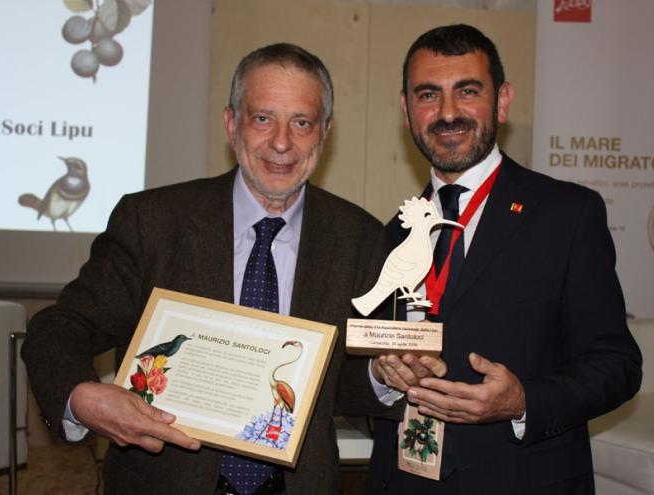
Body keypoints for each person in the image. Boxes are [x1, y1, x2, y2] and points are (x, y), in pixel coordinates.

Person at [22, 43, 391, 495]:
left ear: (325, 132)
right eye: (262, 118)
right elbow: (58, 328)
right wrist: (80, 397)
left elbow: (341, 385)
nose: (281, 142)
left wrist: (383, 375)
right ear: (232, 123)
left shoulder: (360, 238)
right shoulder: (153, 222)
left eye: (301, 122)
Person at [366, 24, 642, 494]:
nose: (447, 113)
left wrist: (523, 401)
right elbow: (370, 359)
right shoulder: (388, 235)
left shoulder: (567, 215)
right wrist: (381, 376)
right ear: (406, 109)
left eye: (467, 91)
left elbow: (617, 365)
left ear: (502, 100)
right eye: (428, 94)